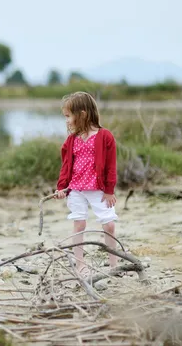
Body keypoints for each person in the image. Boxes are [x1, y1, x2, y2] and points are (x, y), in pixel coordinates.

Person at [54, 91, 118, 277]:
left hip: (98, 189)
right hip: (76, 189)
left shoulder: (105, 136)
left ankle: (113, 265)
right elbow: (66, 166)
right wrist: (61, 188)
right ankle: (80, 264)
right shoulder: (71, 140)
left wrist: (109, 190)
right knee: (79, 224)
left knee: (109, 225)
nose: (66, 121)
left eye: (68, 116)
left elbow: (111, 166)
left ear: (82, 114)